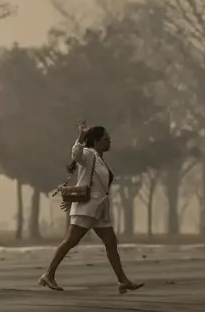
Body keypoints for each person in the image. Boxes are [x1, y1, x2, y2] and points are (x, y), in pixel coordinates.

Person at [38, 119, 144, 294]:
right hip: (87, 207)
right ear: (96, 141)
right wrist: (80, 136)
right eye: (105, 138)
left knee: (111, 243)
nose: (109, 141)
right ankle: (48, 275)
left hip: (100, 209)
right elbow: (76, 154)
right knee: (70, 241)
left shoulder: (100, 159)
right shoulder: (88, 154)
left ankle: (123, 281)